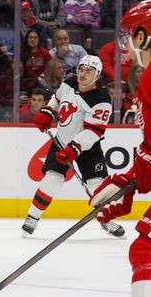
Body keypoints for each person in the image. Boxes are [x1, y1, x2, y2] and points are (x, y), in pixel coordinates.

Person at [87, 0, 151, 297]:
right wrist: (125, 184)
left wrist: (135, 179)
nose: (127, 45)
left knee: (149, 247)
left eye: (129, 36)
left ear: (142, 34)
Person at [22, 54, 123, 238]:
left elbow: (94, 131)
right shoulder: (69, 81)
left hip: (88, 148)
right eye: (81, 70)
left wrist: (75, 148)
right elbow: (57, 99)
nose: (83, 74)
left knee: (98, 186)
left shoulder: (101, 99)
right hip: (61, 141)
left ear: (97, 75)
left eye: (89, 71)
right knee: (52, 181)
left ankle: (106, 219)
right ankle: (32, 217)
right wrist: (48, 112)